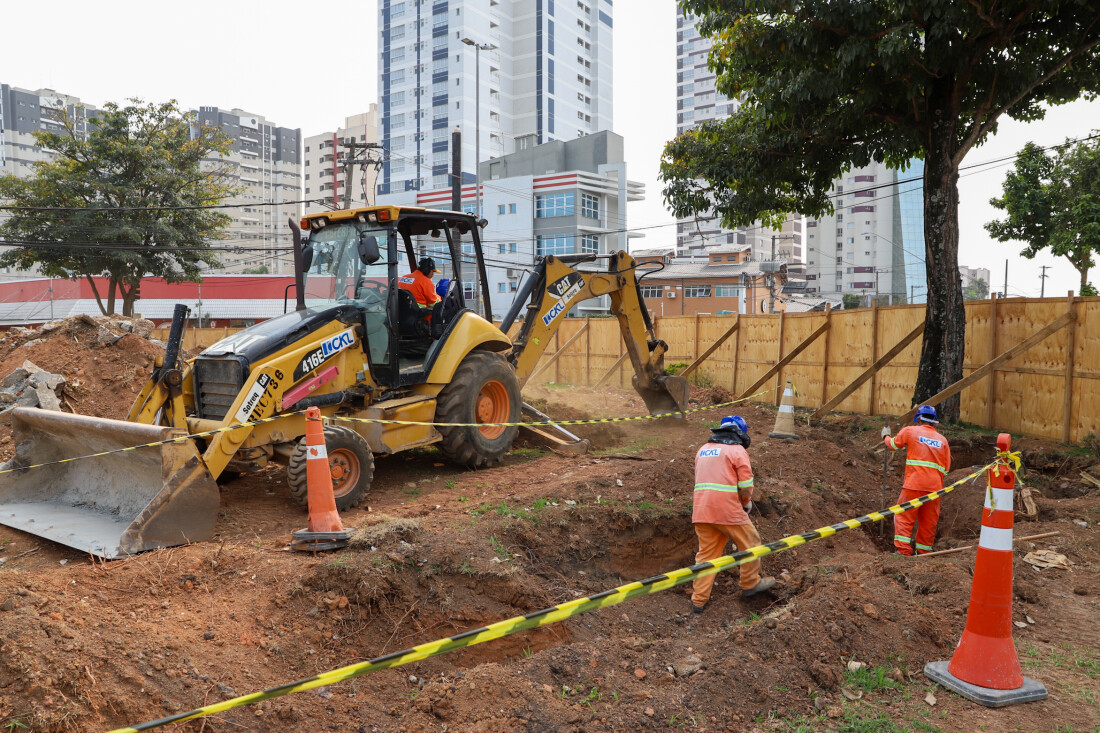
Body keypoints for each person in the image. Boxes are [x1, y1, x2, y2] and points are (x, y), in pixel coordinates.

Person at [690, 415, 775, 613]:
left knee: (706, 557)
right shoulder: (737, 451)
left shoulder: (703, 449)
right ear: (740, 433)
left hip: (702, 510)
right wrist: (745, 503)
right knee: (751, 543)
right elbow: (745, 486)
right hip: (727, 510)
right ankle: (750, 583)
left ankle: (698, 600)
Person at [882, 405, 952, 556]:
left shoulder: (910, 431)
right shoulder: (942, 440)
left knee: (903, 516)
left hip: (913, 485)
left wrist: (885, 436)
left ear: (918, 419)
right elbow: (946, 469)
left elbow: (893, 445)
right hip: (935, 488)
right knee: (929, 521)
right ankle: (924, 552)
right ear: (934, 421)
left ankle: (903, 551)